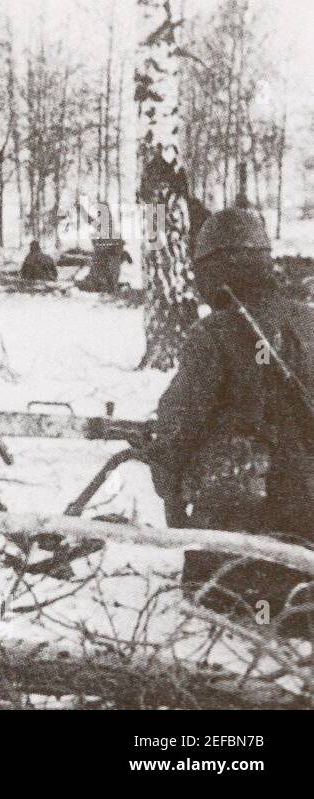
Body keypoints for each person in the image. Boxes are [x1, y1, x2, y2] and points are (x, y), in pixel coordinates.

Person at [145, 207, 314, 633]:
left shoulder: (215, 333)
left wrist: (168, 486)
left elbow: (180, 422)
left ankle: (258, 603)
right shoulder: (307, 320)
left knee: (232, 599)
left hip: (240, 545)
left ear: (214, 268)